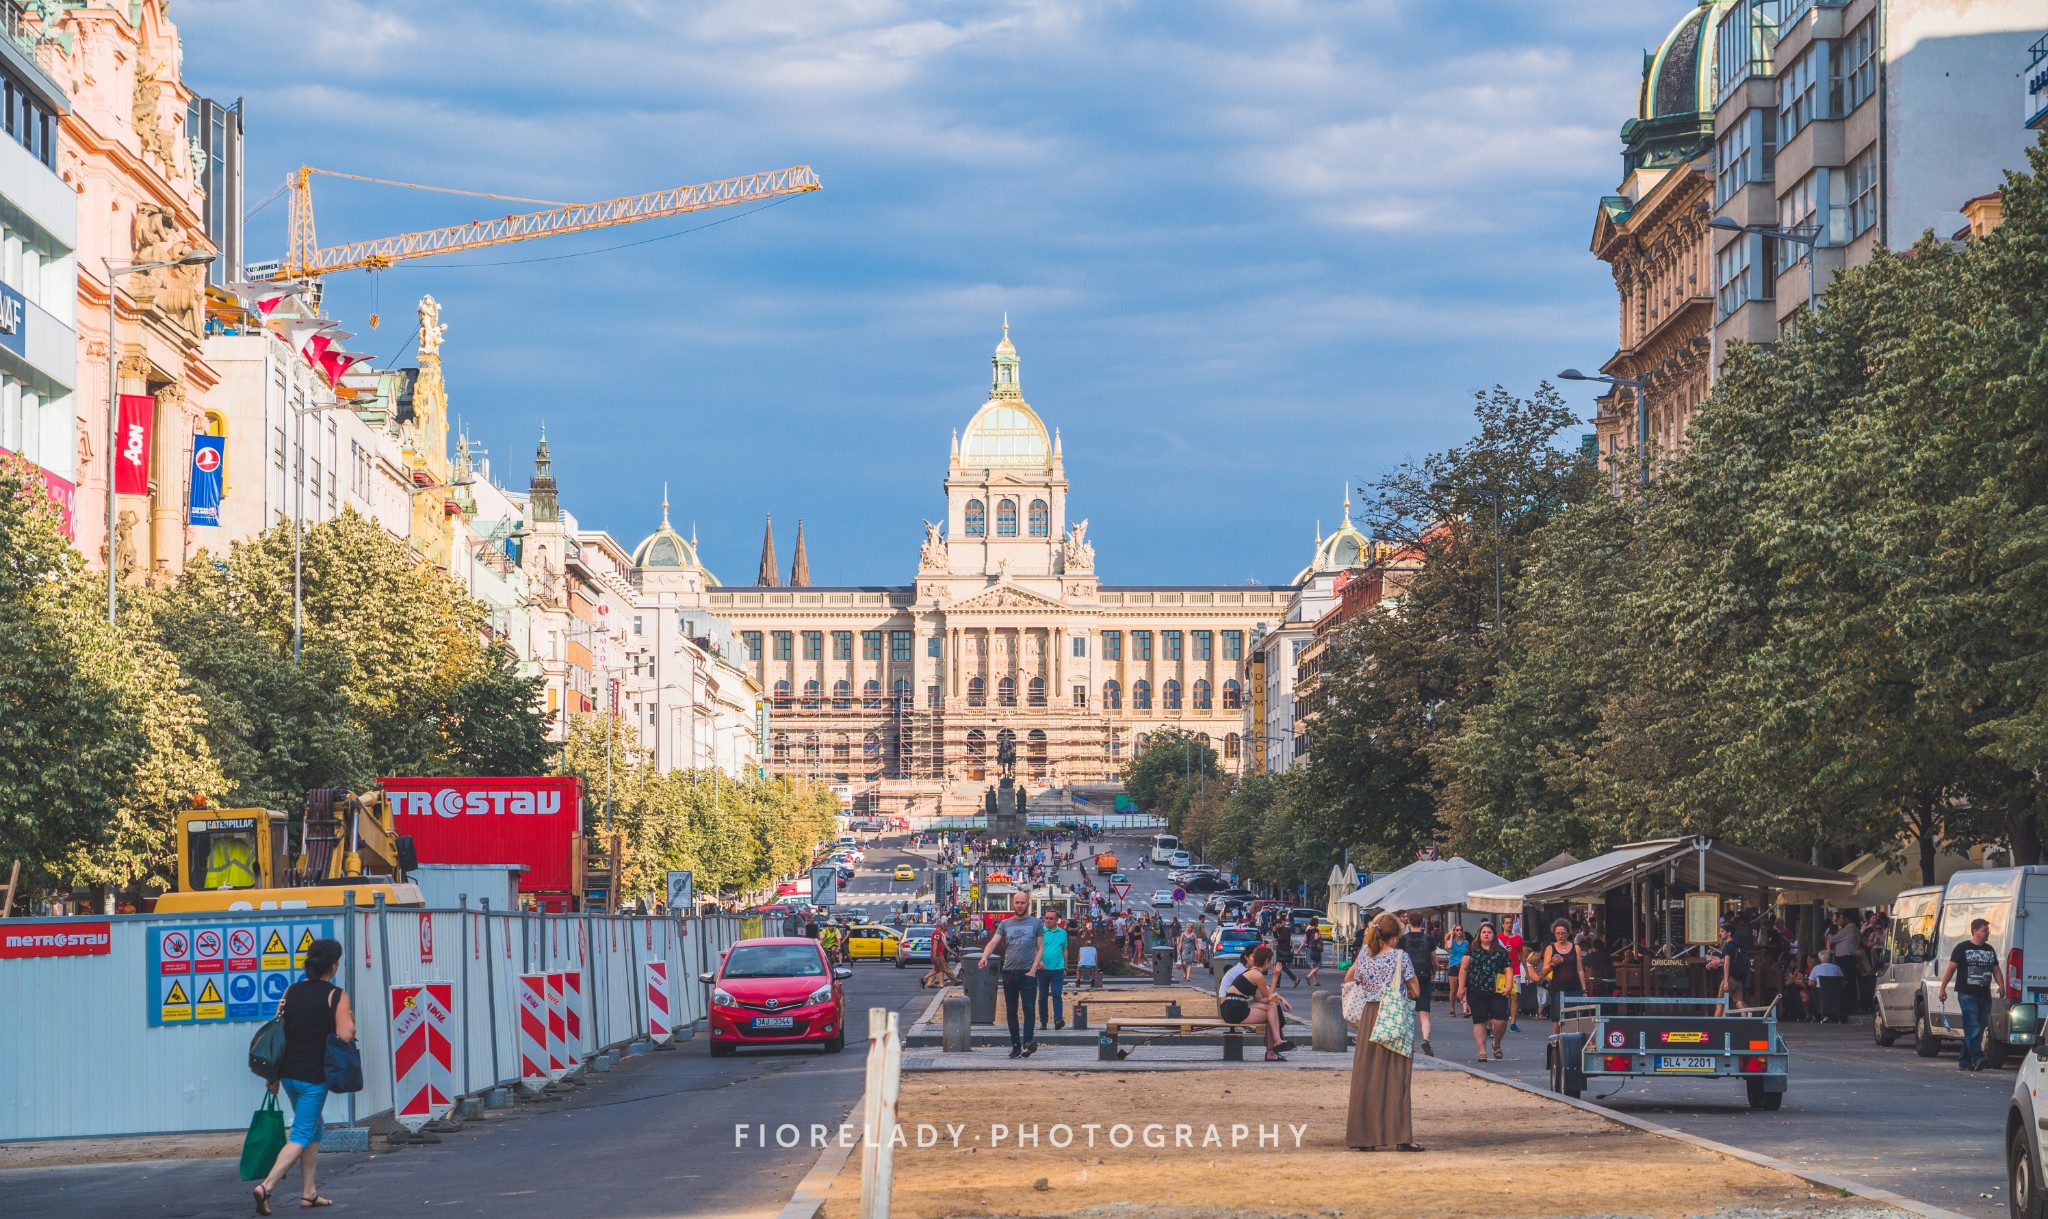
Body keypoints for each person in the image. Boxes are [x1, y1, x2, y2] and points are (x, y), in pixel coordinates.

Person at [253, 938, 354, 1214]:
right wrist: (349, 1021)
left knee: (314, 1126)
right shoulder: (336, 995)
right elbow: (346, 1035)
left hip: (288, 1077)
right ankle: (267, 1187)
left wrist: (273, 1075)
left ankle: (309, 1193)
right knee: (302, 1132)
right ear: (333, 966)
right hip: (313, 1078)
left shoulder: (291, 990)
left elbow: (279, 1034)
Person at [1345, 913, 1423, 1152]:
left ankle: (1364, 1137)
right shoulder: (1401, 957)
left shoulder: (1364, 955)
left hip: (1369, 1014)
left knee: (1367, 1075)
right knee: (1397, 1075)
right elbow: (1416, 990)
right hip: (1393, 1014)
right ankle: (1400, 1136)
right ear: (1396, 936)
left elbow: (1351, 978)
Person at [979, 893, 1044, 1058]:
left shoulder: (1036, 923)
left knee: (1029, 1009)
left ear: (1028, 903)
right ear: (1013, 904)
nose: (1020, 905)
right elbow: (993, 942)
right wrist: (985, 956)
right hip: (1009, 973)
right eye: (1017, 902)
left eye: (1023, 902)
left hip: (1028, 972)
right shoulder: (1005, 924)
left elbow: (1040, 948)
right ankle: (1016, 1045)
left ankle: (1028, 1043)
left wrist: (1033, 970)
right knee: (1011, 1010)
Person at [1938, 917, 2006, 1071]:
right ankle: (1978, 1057)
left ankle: (1964, 1060)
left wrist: (2001, 985)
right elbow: (1951, 969)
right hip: (1967, 994)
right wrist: (1942, 989)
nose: (1987, 933)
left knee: (1979, 1028)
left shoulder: (1989, 950)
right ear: (1975, 931)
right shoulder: (1962, 948)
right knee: (1973, 1026)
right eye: (1984, 930)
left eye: (1987, 930)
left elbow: (1996, 969)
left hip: (1984, 995)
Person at [1219, 944, 1295, 1061]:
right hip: (1235, 1010)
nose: (1270, 965)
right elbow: (1268, 994)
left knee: (1271, 1007)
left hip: (1233, 1006)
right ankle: (1276, 1042)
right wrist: (1275, 976)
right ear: (1265, 961)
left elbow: (1259, 998)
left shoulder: (1252, 972)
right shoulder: (1257, 975)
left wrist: (1278, 1000)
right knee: (1271, 1011)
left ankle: (1274, 1047)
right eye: (1270, 962)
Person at [1457, 921, 1513, 1062]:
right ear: (1479, 935)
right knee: (1480, 1021)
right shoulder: (1472, 949)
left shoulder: (1500, 951)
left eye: (1489, 932)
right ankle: (1482, 1051)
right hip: (1476, 990)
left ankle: (1496, 1043)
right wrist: (1461, 987)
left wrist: (1509, 986)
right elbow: (1463, 968)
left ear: (1494, 935)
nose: (1486, 935)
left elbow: (1508, 969)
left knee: (1500, 1020)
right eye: (1484, 932)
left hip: (1497, 991)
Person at [1397, 911, 1436, 1056]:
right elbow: (1435, 960)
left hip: (1408, 979)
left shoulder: (1403, 939)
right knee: (1424, 1014)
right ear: (1422, 922)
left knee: (1408, 1012)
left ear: (1408, 921)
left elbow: (1399, 959)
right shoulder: (1429, 939)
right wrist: (1434, 972)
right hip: (1424, 978)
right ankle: (1425, 1039)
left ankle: (1409, 1043)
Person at [1540, 920, 1584, 1034]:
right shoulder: (1550, 948)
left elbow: (1580, 969)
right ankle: (1558, 1041)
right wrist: (1552, 964)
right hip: (1558, 988)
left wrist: (1584, 989)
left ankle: (1573, 1041)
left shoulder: (1576, 948)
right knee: (1558, 1019)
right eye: (1557, 933)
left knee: (1574, 1018)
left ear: (1568, 934)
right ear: (1554, 934)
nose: (1560, 936)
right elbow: (1544, 970)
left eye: (1563, 933)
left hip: (1574, 987)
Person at [1038, 913, 1070, 1031]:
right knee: (1042, 996)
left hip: (1058, 969)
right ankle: (1043, 1021)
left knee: (1057, 994)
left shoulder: (1062, 933)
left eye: (1051, 918)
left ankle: (1058, 1020)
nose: (1048, 920)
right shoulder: (1040, 931)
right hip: (1042, 969)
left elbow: (1065, 950)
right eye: (1046, 918)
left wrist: (1065, 967)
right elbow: (1034, 948)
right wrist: (1038, 962)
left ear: (1057, 920)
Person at [1716, 923, 1750, 1013]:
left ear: (1729, 933)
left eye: (1722, 931)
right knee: (1739, 1001)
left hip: (1730, 977)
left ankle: (1715, 1024)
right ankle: (1749, 1021)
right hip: (1739, 978)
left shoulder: (1728, 946)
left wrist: (1726, 981)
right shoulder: (1737, 944)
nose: (1720, 933)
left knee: (1720, 1003)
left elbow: (1727, 963)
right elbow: (1731, 960)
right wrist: (1716, 962)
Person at [1303, 924, 1326, 989]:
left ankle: (1315, 982)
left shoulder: (1307, 931)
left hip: (1310, 949)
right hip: (1316, 950)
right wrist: (1319, 935)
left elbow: (1304, 940)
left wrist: (1300, 948)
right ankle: (1309, 975)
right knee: (1319, 966)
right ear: (1315, 923)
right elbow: (1316, 938)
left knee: (1314, 966)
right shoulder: (1316, 930)